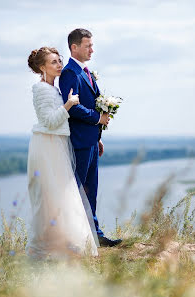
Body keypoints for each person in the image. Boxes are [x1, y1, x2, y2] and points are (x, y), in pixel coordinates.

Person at [25, 46, 99, 259]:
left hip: (56, 145)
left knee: (61, 195)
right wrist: (68, 104)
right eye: (54, 62)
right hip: (46, 147)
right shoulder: (40, 89)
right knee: (48, 195)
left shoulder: (54, 88)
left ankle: (63, 241)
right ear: (42, 67)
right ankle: (41, 246)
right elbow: (48, 121)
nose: (59, 65)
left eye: (59, 60)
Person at [59, 28, 122, 247]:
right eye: (88, 46)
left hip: (91, 141)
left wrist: (97, 137)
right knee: (77, 191)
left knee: (90, 190)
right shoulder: (69, 73)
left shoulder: (86, 72)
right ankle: (75, 237)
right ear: (74, 47)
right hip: (79, 142)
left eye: (92, 45)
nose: (92, 50)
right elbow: (72, 108)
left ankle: (94, 234)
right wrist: (98, 119)